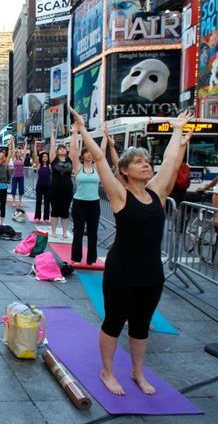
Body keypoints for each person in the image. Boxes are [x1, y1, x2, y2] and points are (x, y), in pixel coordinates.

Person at [69, 106, 192, 396]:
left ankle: (138, 371)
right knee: (114, 322)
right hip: (122, 271)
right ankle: (107, 371)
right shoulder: (119, 193)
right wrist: (82, 129)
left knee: (140, 326)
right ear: (124, 170)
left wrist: (176, 130)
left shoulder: (157, 192)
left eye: (147, 161)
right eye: (137, 162)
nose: (145, 165)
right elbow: (99, 158)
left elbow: (171, 163)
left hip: (151, 273)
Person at [68, 123, 102, 264]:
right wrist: (75, 133)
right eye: (86, 152)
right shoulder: (78, 167)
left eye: (90, 152)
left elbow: (103, 150)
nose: (89, 154)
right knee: (78, 232)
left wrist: (105, 137)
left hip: (94, 203)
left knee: (93, 233)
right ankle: (76, 258)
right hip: (79, 203)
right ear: (83, 156)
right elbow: (74, 151)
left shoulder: (98, 168)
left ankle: (91, 259)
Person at [49, 127, 73, 239]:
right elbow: (52, 147)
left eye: (64, 149)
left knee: (65, 211)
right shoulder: (54, 160)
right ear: (57, 152)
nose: (62, 150)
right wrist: (53, 134)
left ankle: (64, 231)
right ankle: (53, 231)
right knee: (54, 210)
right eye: (60, 149)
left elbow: (74, 149)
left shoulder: (70, 160)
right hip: (55, 189)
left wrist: (74, 133)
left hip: (67, 189)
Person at [32, 144, 51, 224]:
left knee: (47, 202)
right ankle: (37, 217)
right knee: (38, 202)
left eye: (46, 157)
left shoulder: (50, 166)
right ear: (41, 158)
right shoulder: (38, 165)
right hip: (39, 186)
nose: (45, 158)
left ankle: (46, 218)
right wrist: (35, 144)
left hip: (48, 186)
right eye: (43, 157)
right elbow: (35, 155)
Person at [9, 141, 27, 207]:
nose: (19, 153)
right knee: (14, 189)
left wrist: (26, 142)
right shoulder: (14, 159)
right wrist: (13, 142)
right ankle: (14, 201)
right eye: (18, 152)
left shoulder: (22, 159)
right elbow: (13, 150)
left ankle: (20, 202)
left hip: (21, 177)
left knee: (21, 189)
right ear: (16, 154)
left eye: (20, 152)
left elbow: (25, 151)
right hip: (14, 176)